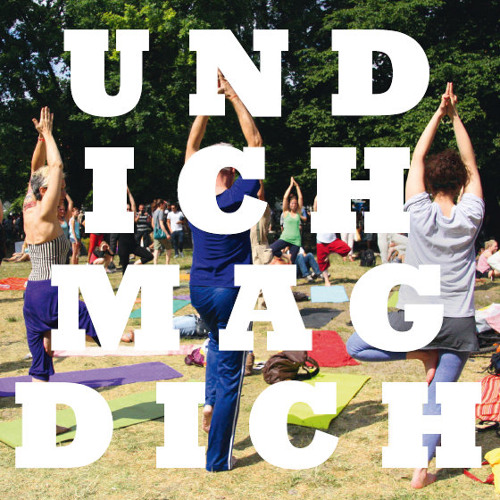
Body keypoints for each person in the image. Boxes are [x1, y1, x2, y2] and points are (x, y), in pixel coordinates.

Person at [346, 83, 484, 489]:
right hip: (457, 320)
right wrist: (455, 116)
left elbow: (417, 157)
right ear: (461, 184)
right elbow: (471, 162)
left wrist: (438, 114)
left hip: (417, 318)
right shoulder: (471, 215)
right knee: (440, 396)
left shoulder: (418, 211)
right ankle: (421, 468)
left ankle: (421, 353)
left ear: (428, 183)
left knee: (355, 345)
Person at [186, 70, 262, 472]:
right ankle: (218, 459)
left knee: (215, 343)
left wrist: (207, 104)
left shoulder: (193, 195)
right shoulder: (235, 197)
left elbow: (191, 145)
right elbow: (256, 143)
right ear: (231, 169)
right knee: (233, 373)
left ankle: (209, 403)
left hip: (200, 289)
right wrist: (232, 95)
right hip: (230, 291)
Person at [22, 107, 102, 433]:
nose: (63, 191)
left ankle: (42, 424)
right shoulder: (44, 213)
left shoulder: (29, 206)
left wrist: (41, 139)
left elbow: (36, 169)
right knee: (100, 324)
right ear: (45, 191)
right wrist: (50, 134)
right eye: (59, 187)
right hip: (50, 291)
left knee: (41, 359)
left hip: (32, 293)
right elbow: (53, 166)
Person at [313, 197, 351, 286]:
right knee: (322, 262)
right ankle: (326, 281)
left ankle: (329, 253)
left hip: (332, 240)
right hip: (321, 241)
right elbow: (315, 206)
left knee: (346, 249)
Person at [270, 177, 304, 264]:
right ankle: (285, 256)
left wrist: (297, 186)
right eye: (292, 203)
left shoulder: (298, 213)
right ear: (289, 204)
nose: (294, 205)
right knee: (271, 249)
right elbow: (285, 197)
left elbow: (300, 197)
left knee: (291, 263)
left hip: (296, 241)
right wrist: (291, 185)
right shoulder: (286, 212)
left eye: (295, 203)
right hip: (285, 238)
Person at [152, 199, 172, 265]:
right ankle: (167, 264)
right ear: (161, 204)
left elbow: (153, 223)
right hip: (162, 233)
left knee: (156, 249)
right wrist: (167, 233)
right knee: (168, 248)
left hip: (156, 232)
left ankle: (155, 264)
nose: (165, 206)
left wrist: (155, 230)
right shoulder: (160, 212)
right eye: (164, 204)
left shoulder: (154, 212)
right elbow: (161, 224)